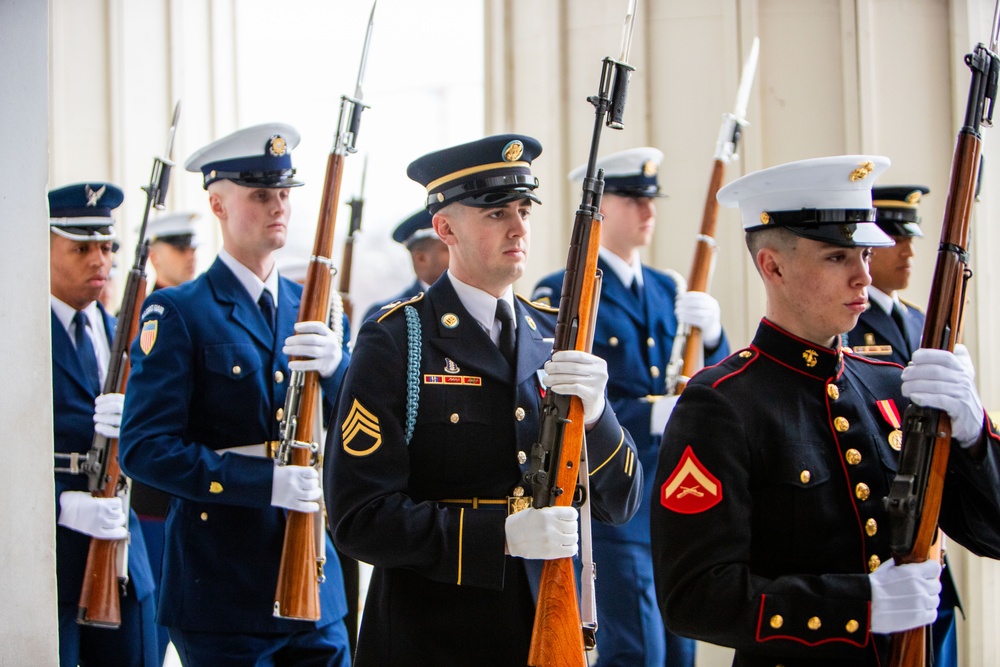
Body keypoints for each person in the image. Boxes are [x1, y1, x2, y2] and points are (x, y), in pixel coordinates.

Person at [650, 155, 1000, 665]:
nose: (863, 276)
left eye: (864, 254)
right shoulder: (723, 404)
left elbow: (992, 532)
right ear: (772, 265)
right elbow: (694, 597)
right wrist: (859, 607)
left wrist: (973, 436)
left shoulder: (890, 385)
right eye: (838, 257)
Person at [326, 134, 643, 666]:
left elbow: (620, 503)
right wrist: (499, 535)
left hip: (545, 627)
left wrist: (600, 416)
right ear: (445, 228)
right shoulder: (398, 340)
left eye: (523, 209)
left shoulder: (552, 334)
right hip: (431, 638)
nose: (519, 227)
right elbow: (360, 519)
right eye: (496, 213)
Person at [119, 123, 352, 667]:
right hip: (221, 587)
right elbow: (145, 448)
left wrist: (340, 369)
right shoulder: (180, 312)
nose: (279, 207)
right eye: (260, 195)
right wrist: (262, 480)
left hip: (317, 583)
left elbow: (361, 427)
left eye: (283, 195)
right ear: (218, 205)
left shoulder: (312, 306)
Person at [532, 147, 728, 667]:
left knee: (682, 645)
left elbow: (712, 384)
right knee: (638, 649)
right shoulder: (563, 290)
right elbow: (563, 397)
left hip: (675, 490)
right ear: (603, 209)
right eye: (633, 199)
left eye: (651, 200)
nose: (648, 211)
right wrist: (650, 415)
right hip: (614, 493)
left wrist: (714, 336)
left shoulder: (667, 288)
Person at [846, 184, 962, 666]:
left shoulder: (920, 321)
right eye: (897, 237)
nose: (910, 250)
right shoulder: (851, 317)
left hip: (927, 514)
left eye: (914, 237)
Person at [49, 182, 158, 666]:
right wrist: (57, 504)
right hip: (50, 559)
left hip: (122, 553)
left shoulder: (123, 332)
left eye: (107, 246)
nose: (100, 260)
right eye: (80, 248)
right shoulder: (17, 334)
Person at [362, 208, 449, 321]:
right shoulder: (386, 317)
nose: (460, 255)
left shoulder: (472, 304)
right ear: (421, 259)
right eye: (449, 249)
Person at [147, 210, 203, 291]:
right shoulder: (153, 303)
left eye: (193, 249)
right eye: (180, 249)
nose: (191, 257)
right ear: (154, 257)